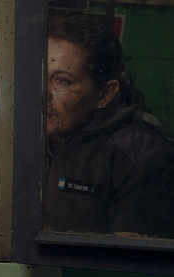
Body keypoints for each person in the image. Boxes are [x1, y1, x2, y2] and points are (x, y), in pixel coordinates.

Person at [44, 14, 174, 237]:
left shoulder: (142, 157)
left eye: (63, 81)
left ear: (104, 94)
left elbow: (132, 255)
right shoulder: (41, 135)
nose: (43, 93)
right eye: (39, 75)